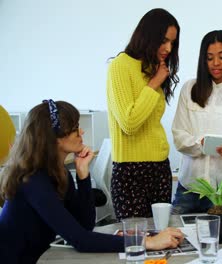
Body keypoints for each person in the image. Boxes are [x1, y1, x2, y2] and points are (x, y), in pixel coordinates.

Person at [0, 100, 184, 263]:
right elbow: (80, 240)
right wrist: (149, 241)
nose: (81, 132)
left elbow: (85, 225)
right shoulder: (33, 180)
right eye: (74, 129)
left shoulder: (58, 172)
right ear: (53, 139)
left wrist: (83, 175)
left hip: (39, 256)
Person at [106, 8, 180, 220]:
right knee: (135, 244)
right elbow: (129, 123)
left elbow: (151, 120)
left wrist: (156, 78)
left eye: (172, 43)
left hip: (159, 167)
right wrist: (155, 82)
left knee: (162, 237)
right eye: (164, 41)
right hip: (130, 170)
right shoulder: (119, 66)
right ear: (148, 36)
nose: (168, 48)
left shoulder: (154, 67)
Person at [171, 30, 222, 214]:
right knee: (176, 237)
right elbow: (179, 137)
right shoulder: (189, 89)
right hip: (189, 188)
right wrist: (201, 145)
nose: (216, 63)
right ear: (203, 60)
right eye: (210, 58)